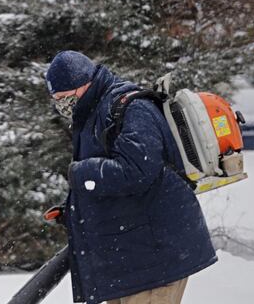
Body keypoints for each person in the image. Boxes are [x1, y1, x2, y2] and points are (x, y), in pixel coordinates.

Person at [45, 51, 216, 304]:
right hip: (130, 259)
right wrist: (75, 210)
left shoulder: (130, 107)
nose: (63, 106)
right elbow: (111, 179)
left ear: (82, 84)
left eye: (65, 98)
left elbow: (135, 171)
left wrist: (81, 173)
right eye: (57, 101)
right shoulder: (91, 114)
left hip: (157, 257)